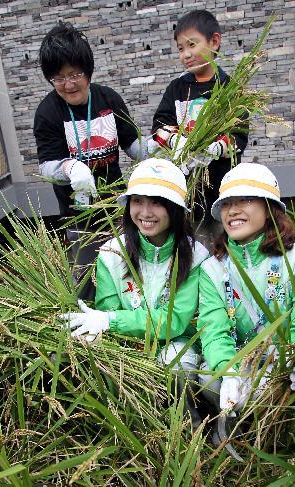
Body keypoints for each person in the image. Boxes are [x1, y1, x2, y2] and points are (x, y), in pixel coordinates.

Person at [59, 158, 209, 427]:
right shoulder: (111, 253)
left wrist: (111, 321)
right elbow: (108, 309)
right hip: (127, 341)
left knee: (175, 365)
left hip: (174, 342)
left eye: (157, 202)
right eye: (137, 201)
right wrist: (107, 323)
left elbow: (174, 320)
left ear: (174, 209)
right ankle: (130, 431)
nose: (145, 212)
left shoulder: (195, 256)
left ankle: (188, 428)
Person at [197, 162, 295, 435]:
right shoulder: (213, 268)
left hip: (288, 366)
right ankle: (240, 430)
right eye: (227, 204)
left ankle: (286, 433)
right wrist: (229, 372)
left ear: (269, 208)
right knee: (208, 378)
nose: (233, 210)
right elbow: (214, 329)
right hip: (242, 365)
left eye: (246, 200)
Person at [150, 10, 248, 241]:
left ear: (214, 41)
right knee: (189, 247)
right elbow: (158, 128)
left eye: (192, 45)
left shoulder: (229, 88)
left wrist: (215, 148)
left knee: (223, 247)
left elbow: (239, 136)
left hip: (220, 190)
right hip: (185, 191)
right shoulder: (176, 89)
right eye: (181, 49)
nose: (186, 54)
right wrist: (175, 141)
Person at [34, 22, 146, 218]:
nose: (68, 85)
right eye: (58, 78)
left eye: (74, 74)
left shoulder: (109, 99)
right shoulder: (47, 112)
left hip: (118, 208)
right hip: (76, 215)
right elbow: (46, 166)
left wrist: (158, 148)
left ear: (88, 71)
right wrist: (70, 167)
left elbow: (132, 144)